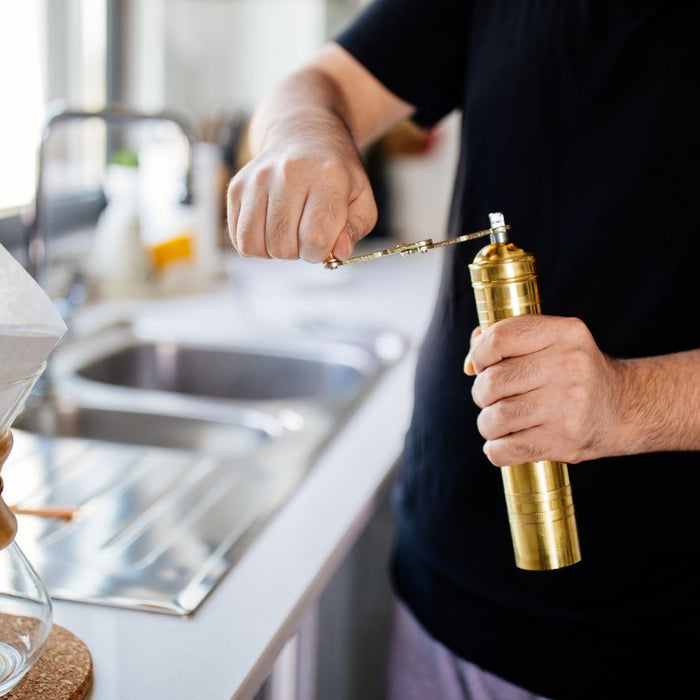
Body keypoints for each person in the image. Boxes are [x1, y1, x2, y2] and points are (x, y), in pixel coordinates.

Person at [226, 1, 700, 697]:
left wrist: (632, 401)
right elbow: (319, 84)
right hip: (443, 592)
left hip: (660, 633)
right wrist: (303, 133)